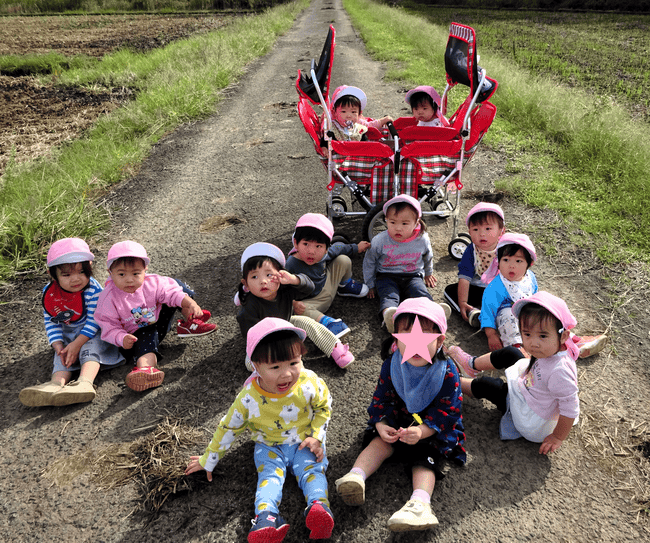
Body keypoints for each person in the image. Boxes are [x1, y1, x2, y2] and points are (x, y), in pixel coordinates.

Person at [185, 318, 334, 542]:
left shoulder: (309, 382)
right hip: (269, 446)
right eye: (275, 367)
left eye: (294, 362)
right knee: (269, 478)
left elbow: (324, 407)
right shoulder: (248, 398)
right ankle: (266, 518)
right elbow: (228, 427)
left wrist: (316, 436)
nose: (287, 374)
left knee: (312, 472)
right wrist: (209, 459)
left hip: (305, 441)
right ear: (255, 366)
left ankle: (319, 508)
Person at [335, 298, 466, 532]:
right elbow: (382, 396)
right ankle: (356, 476)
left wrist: (422, 431)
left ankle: (420, 504)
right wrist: (382, 423)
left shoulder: (447, 372)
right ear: (396, 339)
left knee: (425, 458)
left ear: (440, 341)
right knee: (379, 441)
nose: (415, 344)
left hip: (430, 429)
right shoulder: (392, 364)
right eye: (407, 336)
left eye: (425, 337)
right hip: (398, 419)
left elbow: (447, 411)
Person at [451, 291, 580, 455]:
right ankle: (471, 365)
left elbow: (570, 409)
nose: (534, 343)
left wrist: (557, 437)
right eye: (527, 334)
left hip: (533, 417)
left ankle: (451, 381)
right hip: (532, 387)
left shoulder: (560, 371)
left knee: (491, 386)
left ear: (563, 337)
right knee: (511, 353)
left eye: (542, 335)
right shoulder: (548, 351)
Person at [94, 240, 216, 392]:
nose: (129, 279)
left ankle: (190, 322)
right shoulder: (108, 299)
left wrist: (190, 303)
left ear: (145, 270)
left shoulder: (152, 283)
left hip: (158, 319)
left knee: (176, 286)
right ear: (110, 273)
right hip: (134, 337)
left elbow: (171, 293)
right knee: (147, 336)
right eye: (121, 274)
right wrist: (121, 338)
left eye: (136, 273)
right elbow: (108, 325)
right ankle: (145, 369)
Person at [19, 238, 124, 407]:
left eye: (81, 272)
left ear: (89, 267)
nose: (76, 279)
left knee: (91, 349)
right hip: (69, 334)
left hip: (94, 332)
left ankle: (84, 382)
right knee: (61, 356)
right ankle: (55, 384)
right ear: (52, 274)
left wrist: (77, 344)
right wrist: (58, 345)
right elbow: (51, 320)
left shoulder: (93, 289)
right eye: (66, 275)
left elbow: (95, 320)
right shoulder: (50, 294)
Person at [236, 242, 354, 368]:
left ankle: (335, 348)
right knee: (250, 363)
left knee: (308, 322)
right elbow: (252, 337)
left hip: (286, 324)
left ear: (280, 274)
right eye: (254, 277)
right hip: (263, 340)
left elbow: (309, 288)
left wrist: (294, 279)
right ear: (246, 284)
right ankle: (272, 370)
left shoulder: (285, 290)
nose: (263, 281)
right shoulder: (249, 307)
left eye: (269, 275)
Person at [285, 213, 370, 339]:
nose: (311, 251)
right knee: (299, 311)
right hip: (312, 301)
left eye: (318, 246)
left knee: (343, 259)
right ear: (296, 243)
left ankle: (344, 285)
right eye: (306, 244)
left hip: (327, 285)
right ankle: (327, 323)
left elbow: (339, 248)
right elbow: (282, 290)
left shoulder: (324, 254)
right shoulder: (291, 264)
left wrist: (356, 247)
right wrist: (293, 303)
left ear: (326, 248)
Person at [362, 194, 439, 333]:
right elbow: (369, 261)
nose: (398, 228)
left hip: (413, 275)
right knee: (389, 296)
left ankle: (430, 315)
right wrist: (370, 284)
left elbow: (428, 256)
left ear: (416, 223)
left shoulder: (422, 239)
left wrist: (428, 273)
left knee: (420, 292)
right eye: (392, 222)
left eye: (404, 223)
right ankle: (389, 318)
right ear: (386, 220)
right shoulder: (380, 240)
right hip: (386, 275)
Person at [443, 202, 505, 327]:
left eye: (488, 229)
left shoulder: (506, 248)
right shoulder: (471, 250)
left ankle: (498, 317)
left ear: (501, 230)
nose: (481, 234)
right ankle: (472, 313)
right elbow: (465, 278)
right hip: (477, 290)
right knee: (449, 291)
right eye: (475, 229)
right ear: (469, 232)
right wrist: (463, 302)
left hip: (498, 290)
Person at [479, 232, 538, 352]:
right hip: (506, 318)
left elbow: (535, 295)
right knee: (508, 314)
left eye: (518, 261)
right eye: (506, 260)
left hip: (526, 313)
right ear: (498, 262)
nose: (511, 266)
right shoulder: (496, 287)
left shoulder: (530, 278)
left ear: (529, 263)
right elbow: (487, 312)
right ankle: (516, 347)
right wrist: (491, 335)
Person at [326, 85, 393, 141]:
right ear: (335, 112)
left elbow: (370, 126)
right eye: (343, 111)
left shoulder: (358, 124)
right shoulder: (332, 126)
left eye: (353, 112)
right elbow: (325, 139)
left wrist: (382, 121)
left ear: (359, 114)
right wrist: (324, 147)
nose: (349, 116)